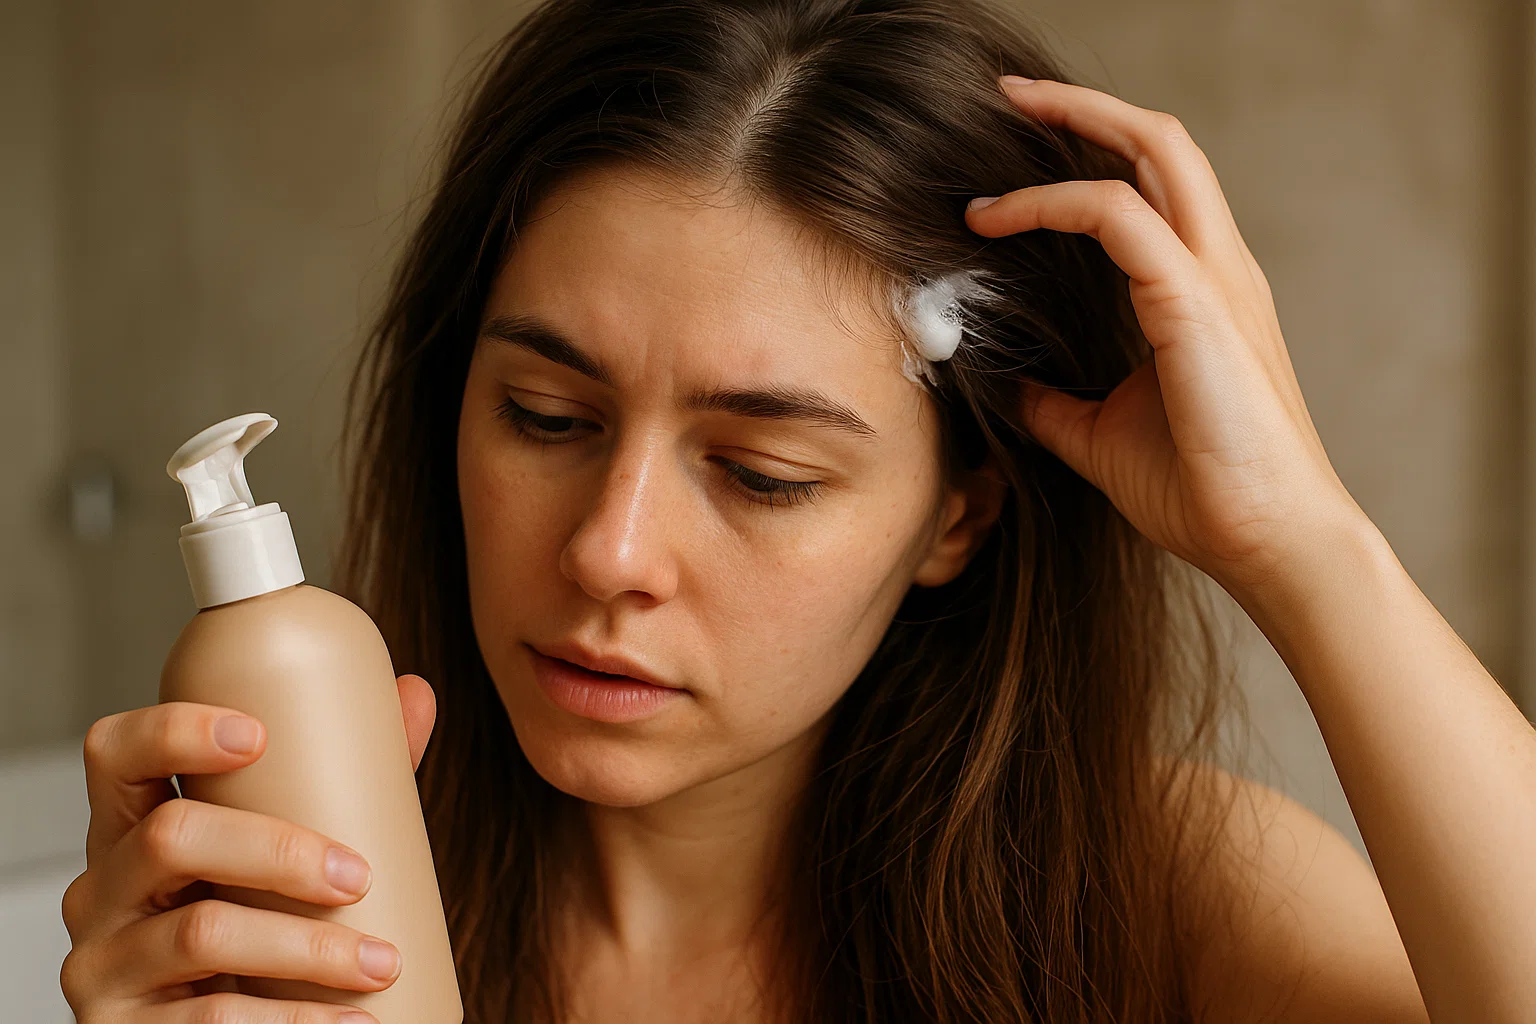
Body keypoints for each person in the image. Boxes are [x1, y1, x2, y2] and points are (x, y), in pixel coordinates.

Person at [58, 0, 1536, 1020]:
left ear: (959, 515)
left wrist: (1307, 546)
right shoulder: (312, 894)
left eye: (764, 473)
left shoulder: (1161, 891)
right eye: (547, 418)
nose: (608, 551)